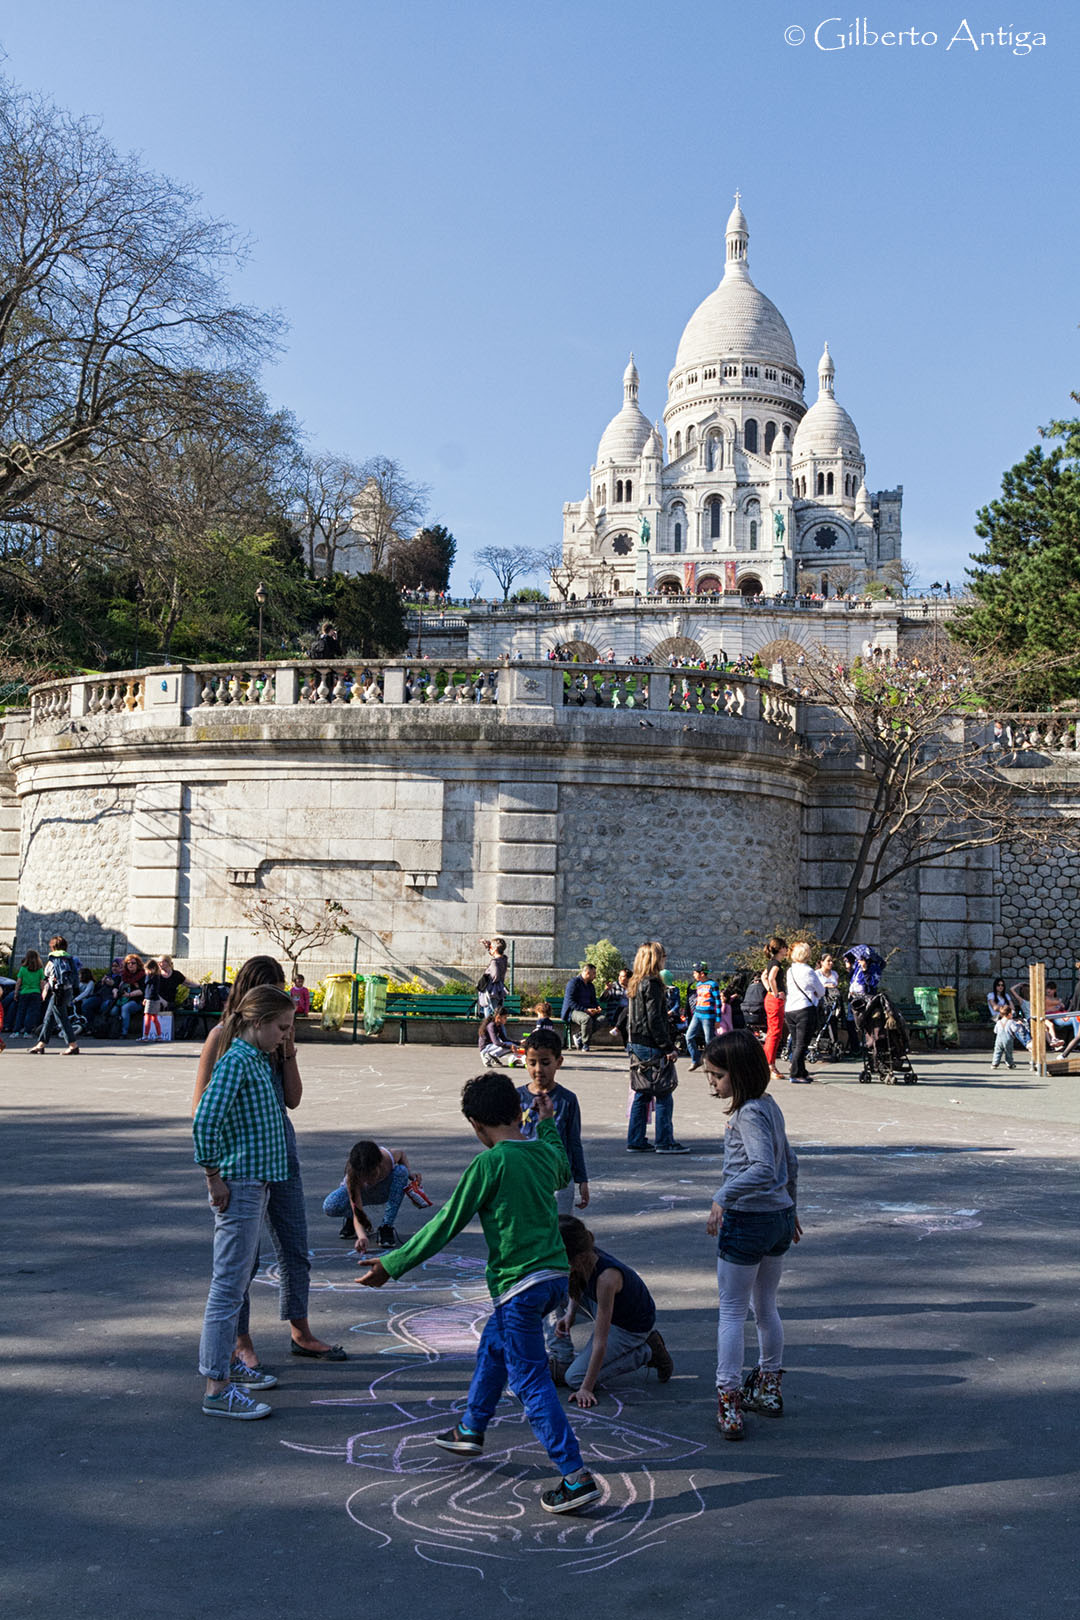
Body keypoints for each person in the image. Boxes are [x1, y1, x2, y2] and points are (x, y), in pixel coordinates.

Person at [357, 1073, 602, 1516]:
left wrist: (392, 1265)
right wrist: (546, 1123)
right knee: (495, 1344)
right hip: (551, 1279)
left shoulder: (490, 1165)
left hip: (519, 1287)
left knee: (529, 1379)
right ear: (516, 1111)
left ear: (475, 1124)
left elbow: (445, 1222)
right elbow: (563, 1169)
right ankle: (471, 1427)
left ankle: (573, 1473)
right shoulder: (541, 1151)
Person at [193, 954, 345, 1370]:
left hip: (281, 1152)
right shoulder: (227, 1041)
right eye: (275, 988)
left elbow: (292, 1100)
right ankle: (239, 1343)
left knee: (295, 1246)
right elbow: (202, 1111)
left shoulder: (273, 1042)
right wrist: (215, 1171)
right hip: (244, 1161)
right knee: (243, 1260)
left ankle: (300, 1329)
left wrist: (289, 1048)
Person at [193, 984, 297, 1419]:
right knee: (228, 1288)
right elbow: (205, 1120)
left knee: (233, 1285)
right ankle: (217, 1386)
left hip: (256, 1184)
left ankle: (228, 1372)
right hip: (240, 1184)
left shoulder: (255, 1058)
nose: (286, 1036)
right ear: (257, 1022)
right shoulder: (236, 1059)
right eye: (281, 1027)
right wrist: (213, 1176)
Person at [703, 1030, 801, 1440]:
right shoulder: (769, 1105)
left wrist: (722, 1197)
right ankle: (769, 1387)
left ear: (740, 1075)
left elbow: (763, 1166)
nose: (712, 1082)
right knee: (765, 1307)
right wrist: (791, 1206)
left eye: (718, 1075)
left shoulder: (748, 1114)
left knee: (732, 1312)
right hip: (777, 1218)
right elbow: (790, 1160)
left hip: (749, 1221)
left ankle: (729, 1400)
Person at [549, 1215, 673, 1398]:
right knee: (550, 1286)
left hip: (630, 1326)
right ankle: (563, 1359)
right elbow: (577, 1282)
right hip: (605, 1305)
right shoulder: (584, 1255)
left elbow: (601, 1341)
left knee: (575, 1378)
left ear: (577, 1258)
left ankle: (647, 1350)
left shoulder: (607, 1279)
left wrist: (586, 1388)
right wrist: (570, 1314)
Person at [516, 1028, 588, 1214]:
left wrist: (581, 1179)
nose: (538, 1069)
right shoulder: (516, 1097)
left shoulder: (567, 1099)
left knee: (560, 1229)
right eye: (532, 1063)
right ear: (525, 1062)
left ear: (559, 1062)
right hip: (525, 1178)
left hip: (558, 1178)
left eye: (545, 1062)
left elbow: (573, 1142)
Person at [626, 940, 688, 1154]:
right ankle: (664, 1140)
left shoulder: (635, 982)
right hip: (651, 1044)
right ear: (655, 959)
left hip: (636, 1042)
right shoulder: (652, 984)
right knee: (663, 1091)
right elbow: (655, 1020)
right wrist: (668, 1046)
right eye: (663, 955)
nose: (665, 959)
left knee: (642, 1092)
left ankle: (635, 1139)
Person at [322, 1140, 418, 1251]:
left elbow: (401, 1153)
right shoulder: (353, 1178)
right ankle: (353, 1222)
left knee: (402, 1171)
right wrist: (362, 1237)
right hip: (361, 1194)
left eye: (372, 1174)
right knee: (330, 1205)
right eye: (364, 1177)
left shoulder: (387, 1157)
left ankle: (386, 1226)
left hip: (382, 1191)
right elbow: (357, 1210)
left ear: (379, 1163)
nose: (369, 1179)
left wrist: (410, 1174)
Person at [28, 936, 82, 1055]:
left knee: (62, 1019)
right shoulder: (69, 959)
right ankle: (40, 1045)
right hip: (66, 991)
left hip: (58, 992)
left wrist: (45, 990)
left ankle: (73, 1045)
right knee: (49, 1018)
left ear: (53, 947)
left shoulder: (54, 960)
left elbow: (47, 975)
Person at [784, 943, 826, 1084]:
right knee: (802, 1044)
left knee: (796, 1043)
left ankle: (801, 1071)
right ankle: (795, 1073)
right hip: (804, 1008)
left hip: (790, 1008)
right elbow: (821, 991)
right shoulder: (808, 971)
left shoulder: (790, 971)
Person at [761, 937, 788, 1083]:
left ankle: (768, 1062)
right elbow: (770, 978)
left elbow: (764, 976)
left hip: (770, 999)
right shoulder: (776, 964)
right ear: (780, 949)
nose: (786, 950)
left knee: (773, 1031)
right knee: (775, 1032)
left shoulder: (771, 963)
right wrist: (776, 992)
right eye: (785, 947)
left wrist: (770, 991)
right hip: (775, 1000)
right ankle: (770, 1064)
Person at [561, 962, 602, 1052]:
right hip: (573, 1011)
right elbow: (570, 1002)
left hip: (588, 1010)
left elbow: (594, 1000)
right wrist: (585, 1010)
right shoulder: (573, 983)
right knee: (586, 1019)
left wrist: (597, 1008)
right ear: (587, 973)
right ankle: (585, 1044)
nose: (595, 976)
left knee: (603, 1019)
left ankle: (579, 1036)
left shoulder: (590, 986)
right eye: (594, 973)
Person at [686, 962, 719, 1071]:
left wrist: (718, 1019)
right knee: (689, 1036)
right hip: (697, 1014)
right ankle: (696, 1060)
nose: (693, 975)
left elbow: (718, 1003)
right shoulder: (698, 985)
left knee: (709, 1040)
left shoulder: (712, 985)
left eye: (695, 973)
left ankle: (712, 1063)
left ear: (702, 973)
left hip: (708, 1016)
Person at [10, 949, 44, 1038]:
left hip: (24, 992)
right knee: (31, 1013)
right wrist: (43, 992)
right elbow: (42, 983)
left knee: (21, 1012)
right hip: (35, 993)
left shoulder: (23, 969)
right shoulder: (40, 970)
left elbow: (18, 982)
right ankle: (27, 1032)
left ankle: (16, 1031)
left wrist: (16, 992)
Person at [987, 978, 1017, 1070]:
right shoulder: (991, 995)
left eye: (1002, 985)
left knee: (1000, 1049)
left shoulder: (1006, 996)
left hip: (1005, 1017)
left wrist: (1005, 1010)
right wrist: (1005, 1010)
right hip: (997, 1016)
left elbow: (1012, 1008)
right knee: (1005, 1050)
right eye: (998, 985)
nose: (1000, 987)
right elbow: (995, 1007)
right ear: (995, 986)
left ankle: (998, 1063)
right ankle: (1004, 1063)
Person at [477, 937, 508, 1015]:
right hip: (499, 991)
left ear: (494, 949)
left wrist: (487, 979)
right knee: (497, 1014)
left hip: (492, 991)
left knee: (490, 1015)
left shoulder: (494, 962)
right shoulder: (504, 959)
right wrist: (489, 946)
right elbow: (496, 953)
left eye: (491, 947)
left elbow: (495, 975)